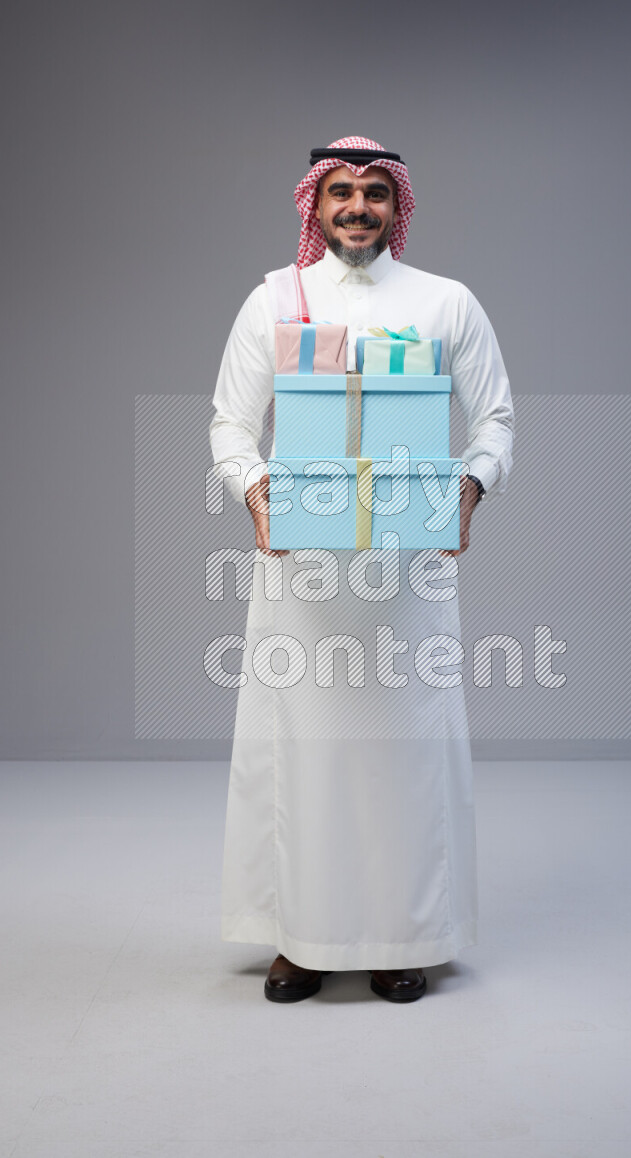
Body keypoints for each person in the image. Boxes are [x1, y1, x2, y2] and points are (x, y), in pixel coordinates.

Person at [210, 136, 514, 1003]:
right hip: (303, 574)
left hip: (407, 574)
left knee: (401, 754)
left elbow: (495, 418)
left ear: (397, 205)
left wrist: (469, 489)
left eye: (375, 192)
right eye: (340, 191)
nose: (357, 207)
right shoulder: (276, 300)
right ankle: (300, 940)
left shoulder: (445, 302)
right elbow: (231, 423)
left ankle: (400, 936)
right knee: (305, 754)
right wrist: (256, 491)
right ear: (315, 203)